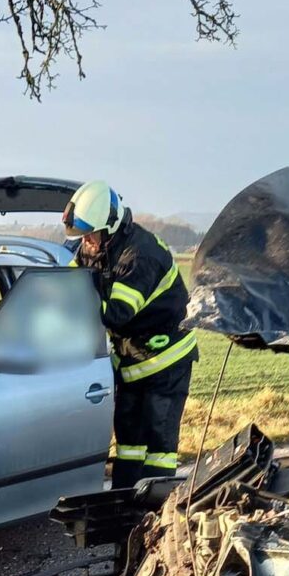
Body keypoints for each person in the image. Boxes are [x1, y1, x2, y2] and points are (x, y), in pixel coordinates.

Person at [63, 181, 196, 489]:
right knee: (128, 442)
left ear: (111, 227)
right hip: (131, 361)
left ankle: (155, 516)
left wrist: (76, 300)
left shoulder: (140, 255)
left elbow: (115, 313)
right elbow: (68, 283)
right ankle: (124, 504)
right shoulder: (95, 245)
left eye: (92, 235)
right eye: (84, 237)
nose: (88, 242)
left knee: (157, 445)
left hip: (165, 362)